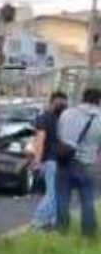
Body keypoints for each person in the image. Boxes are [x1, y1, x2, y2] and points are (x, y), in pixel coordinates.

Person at [55, 88, 101, 238]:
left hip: (65, 161)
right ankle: (88, 234)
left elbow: (60, 135)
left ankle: (61, 231)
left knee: (62, 197)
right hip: (87, 163)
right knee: (87, 199)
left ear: (83, 98)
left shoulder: (67, 113)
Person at [30, 91, 69, 230]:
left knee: (53, 193)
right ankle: (43, 221)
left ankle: (45, 222)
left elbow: (39, 140)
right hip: (61, 161)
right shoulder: (66, 119)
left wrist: (37, 160)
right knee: (55, 193)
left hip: (51, 160)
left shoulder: (44, 117)